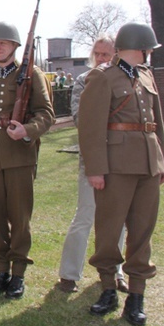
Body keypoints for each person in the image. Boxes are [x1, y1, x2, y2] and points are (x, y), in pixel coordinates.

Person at [79, 23, 164, 326]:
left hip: (147, 163)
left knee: (143, 230)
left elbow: (156, 123)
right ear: (137, 47)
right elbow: (90, 127)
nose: (148, 54)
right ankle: (107, 288)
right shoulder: (103, 76)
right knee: (108, 229)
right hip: (116, 165)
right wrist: (95, 169)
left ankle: (137, 295)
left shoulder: (146, 75)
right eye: (147, 49)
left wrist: (163, 161)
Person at [0, 22, 54, 299]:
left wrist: (27, 130)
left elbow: (46, 114)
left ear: (16, 46)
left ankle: (17, 274)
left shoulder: (32, 75)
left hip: (19, 158)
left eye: (4, 42)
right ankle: (1, 271)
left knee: (19, 218)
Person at [57, 36, 128, 294]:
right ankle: (69, 274)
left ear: (116, 55)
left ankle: (115, 271)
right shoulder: (82, 81)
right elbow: (80, 118)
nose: (101, 59)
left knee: (117, 218)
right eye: (97, 54)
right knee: (85, 215)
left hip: (121, 159)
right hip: (93, 158)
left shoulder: (124, 81)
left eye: (106, 55)